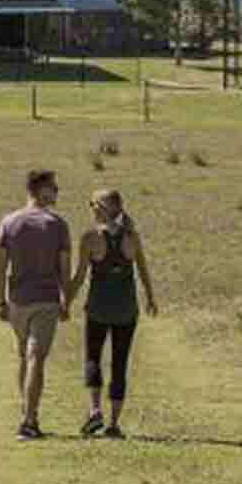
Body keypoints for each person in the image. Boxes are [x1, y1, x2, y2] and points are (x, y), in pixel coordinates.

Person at [67, 188, 157, 439]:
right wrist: (150, 298)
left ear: (103, 208)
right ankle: (114, 425)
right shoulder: (132, 237)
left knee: (93, 358)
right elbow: (143, 270)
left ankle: (95, 411)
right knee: (120, 363)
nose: (91, 208)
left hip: (98, 308)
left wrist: (66, 302)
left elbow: (79, 277)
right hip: (127, 310)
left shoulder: (89, 238)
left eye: (93, 204)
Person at [0, 168, 71, 441]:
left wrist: (0, 300)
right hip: (46, 299)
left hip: (17, 300)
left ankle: (28, 413)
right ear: (39, 190)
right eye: (53, 188)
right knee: (36, 357)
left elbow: (1, 266)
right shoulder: (57, 225)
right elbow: (64, 269)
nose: (57, 192)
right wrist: (67, 300)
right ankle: (28, 420)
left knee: (25, 357)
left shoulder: (9, 222)